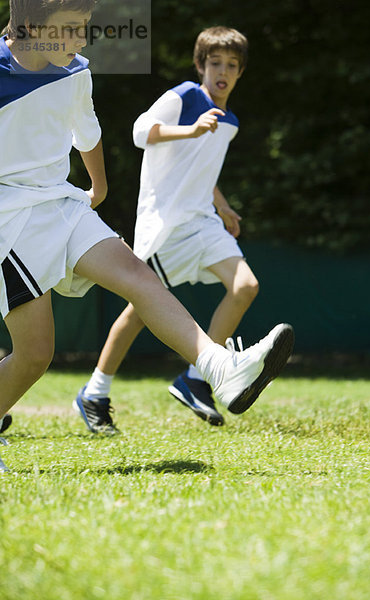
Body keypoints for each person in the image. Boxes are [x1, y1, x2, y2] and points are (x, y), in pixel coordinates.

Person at [0, 3, 294, 471]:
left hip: (61, 204)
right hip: (7, 220)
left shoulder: (74, 70)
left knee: (139, 276)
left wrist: (98, 187)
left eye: (85, 28)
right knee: (35, 355)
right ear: (32, 26)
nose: (83, 40)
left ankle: (220, 370)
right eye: (72, 29)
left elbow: (87, 131)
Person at [74, 26, 291, 434]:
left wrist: (222, 204)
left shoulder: (230, 121)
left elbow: (200, 168)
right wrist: (190, 129)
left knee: (245, 286)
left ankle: (195, 379)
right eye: (214, 63)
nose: (222, 71)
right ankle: (94, 391)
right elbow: (141, 131)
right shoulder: (185, 96)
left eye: (231, 65)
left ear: (241, 72)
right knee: (140, 311)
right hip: (166, 224)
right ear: (200, 65)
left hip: (203, 222)